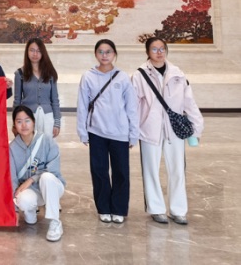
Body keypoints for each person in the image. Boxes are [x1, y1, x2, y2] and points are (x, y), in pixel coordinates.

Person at [131, 37, 204, 225]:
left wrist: (197, 128)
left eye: (162, 48)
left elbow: (189, 103)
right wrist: (133, 131)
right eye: (154, 49)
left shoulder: (177, 74)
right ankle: (156, 209)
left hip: (174, 130)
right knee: (151, 170)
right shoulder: (139, 75)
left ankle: (178, 210)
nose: (159, 52)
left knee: (178, 170)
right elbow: (133, 106)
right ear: (147, 52)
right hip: (150, 130)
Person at [76, 39, 139, 224]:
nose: (105, 55)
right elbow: (82, 106)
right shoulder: (88, 76)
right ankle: (103, 208)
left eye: (108, 51)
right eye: (101, 52)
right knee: (99, 171)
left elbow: (132, 107)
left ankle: (119, 209)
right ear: (96, 54)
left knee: (121, 172)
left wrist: (133, 133)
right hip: (96, 132)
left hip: (120, 132)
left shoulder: (123, 77)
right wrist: (82, 131)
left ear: (115, 54)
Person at [10, 105, 65, 242]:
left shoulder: (46, 140)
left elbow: (53, 170)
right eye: (19, 121)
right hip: (32, 192)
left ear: (33, 122)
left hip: (52, 188)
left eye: (27, 120)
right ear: (14, 125)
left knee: (46, 177)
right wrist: (15, 210)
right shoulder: (12, 148)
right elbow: (12, 179)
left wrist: (31, 179)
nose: (24, 125)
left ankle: (55, 222)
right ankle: (30, 212)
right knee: (23, 200)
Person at [14, 38, 62, 139]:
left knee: (47, 146)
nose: (35, 54)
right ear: (27, 52)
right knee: (30, 145)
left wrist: (57, 122)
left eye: (38, 51)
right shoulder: (20, 74)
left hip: (47, 117)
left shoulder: (50, 73)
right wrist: (16, 123)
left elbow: (55, 100)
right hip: (28, 117)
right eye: (32, 50)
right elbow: (17, 100)